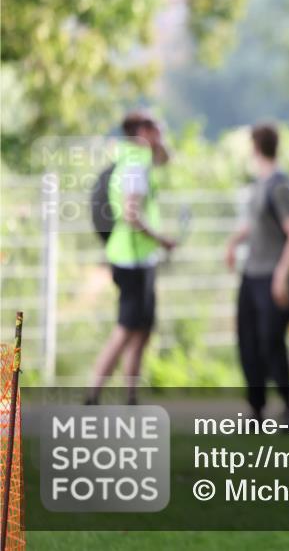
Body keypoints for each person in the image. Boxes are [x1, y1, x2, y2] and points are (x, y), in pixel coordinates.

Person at [86, 110, 176, 405]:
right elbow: (131, 213)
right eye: (152, 127)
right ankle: (93, 394)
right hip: (133, 259)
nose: (158, 132)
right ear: (141, 131)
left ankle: (130, 397)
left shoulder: (132, 158)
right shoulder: (136, 165)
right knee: (126, 330)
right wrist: (162, 239)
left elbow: (166, 158)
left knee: (140, 331)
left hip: (135, 258)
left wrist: (158, 138)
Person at [225, 124, 289, 423]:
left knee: (271, 341)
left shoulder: (280, 185)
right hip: (252, 275)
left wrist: (282, 275)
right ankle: (256, 408)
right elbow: (257, 223)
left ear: (254, 147)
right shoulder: (261, 184)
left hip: (273, 275)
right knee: (248, 340)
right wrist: (234, 243)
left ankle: (287, 407)